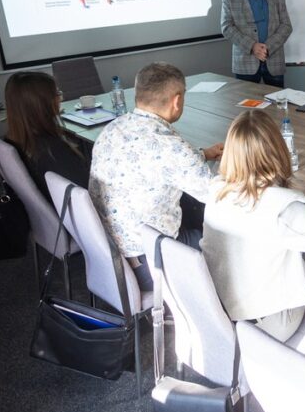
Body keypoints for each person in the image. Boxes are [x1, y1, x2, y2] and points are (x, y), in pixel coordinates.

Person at [201, 111, 305, 342]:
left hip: (221, 309)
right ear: (278, 149)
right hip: (271, 322)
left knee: (301, 247)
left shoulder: (216, 189)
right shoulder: (284, 209)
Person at [89, 62, 223, 291]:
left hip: (107, 253)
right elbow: (221, 198)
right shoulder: (171, 147)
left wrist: (200, 155)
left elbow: (151, 162)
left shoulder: (113, 128)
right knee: (227, 238)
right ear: (177, 101)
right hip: (149, 263)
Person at [3, 71, 89, 197]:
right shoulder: (54, 151)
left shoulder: (13, 140)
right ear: (42, 105)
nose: (61, 98)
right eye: (57, 94)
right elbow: (87, 191)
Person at [220, 0, 293, 87]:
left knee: (277, 103)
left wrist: (267, 47)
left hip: (274, 61)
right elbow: (227, 27)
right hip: (245, 63)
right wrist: (252, 46)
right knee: (246, 103)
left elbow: (286, 26)